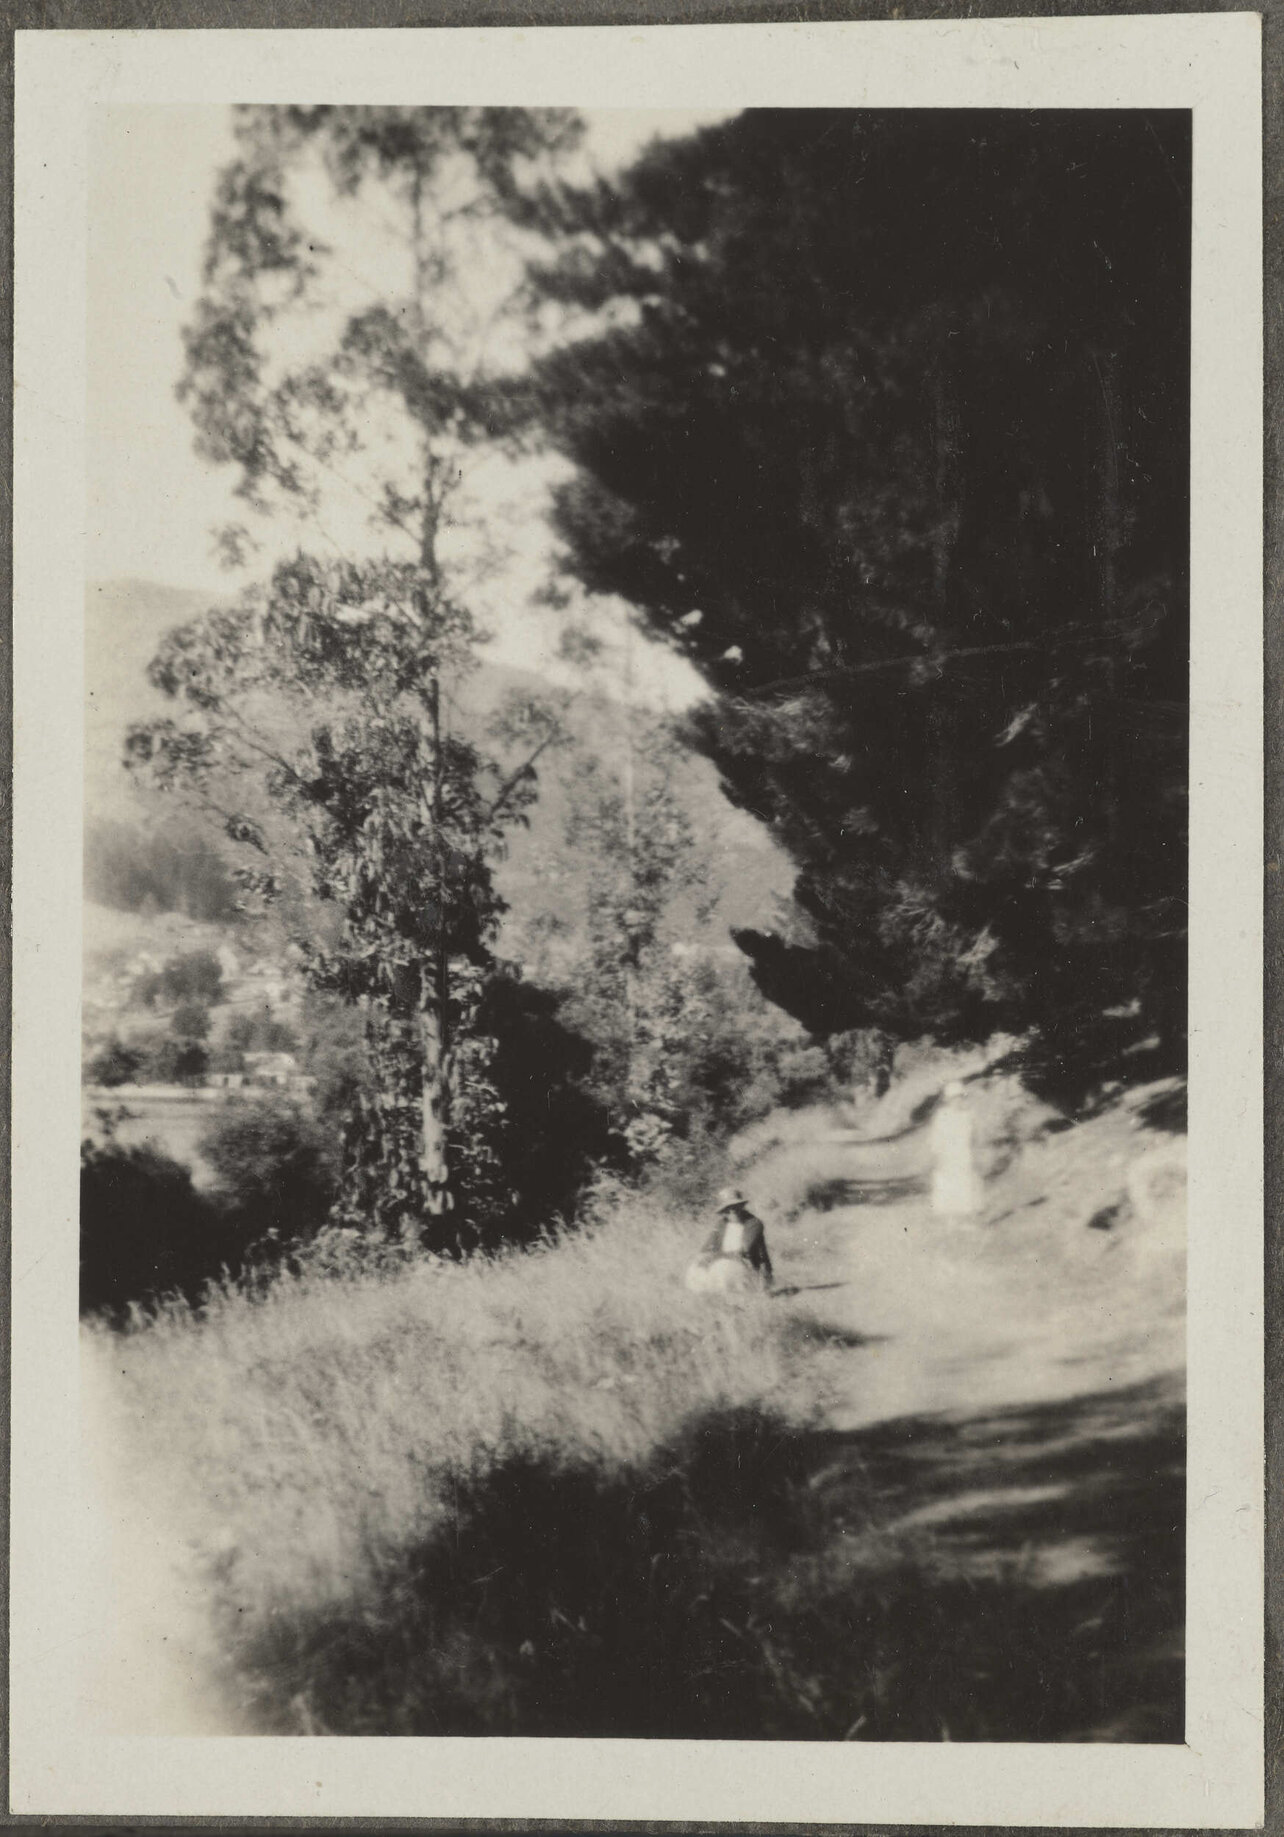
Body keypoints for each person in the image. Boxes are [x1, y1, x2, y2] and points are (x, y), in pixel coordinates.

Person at [685, 1187, 774, 1293]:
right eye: (728, 1208)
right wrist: (702, 1258)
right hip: (725, 1261)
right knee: (696, 1268)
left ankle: (730, 1298)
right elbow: (708, 1246)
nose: (733, 1211)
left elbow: (743, 1251)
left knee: (722, 1268)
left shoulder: (754, 1223)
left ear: (742, 1206)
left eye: (735, 1206)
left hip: (749, 1268)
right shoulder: (722, 1224)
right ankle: (709, 1299)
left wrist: (714, 1257)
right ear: (724, 1211)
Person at [929, 1079, 982, 1217]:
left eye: (959, 1098)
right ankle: (950, 1220)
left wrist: (975, 1151)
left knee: (965, 1184)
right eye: (953, 1099)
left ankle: (966, 1217)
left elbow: (974, 1136)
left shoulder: (968, 1115)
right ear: (948, 1100)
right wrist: (937, 1154)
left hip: (964, 1154)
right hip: (947, 1155)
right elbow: (936, 1137)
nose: (957, 1102)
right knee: (948, 1186)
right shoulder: (942, 1116)